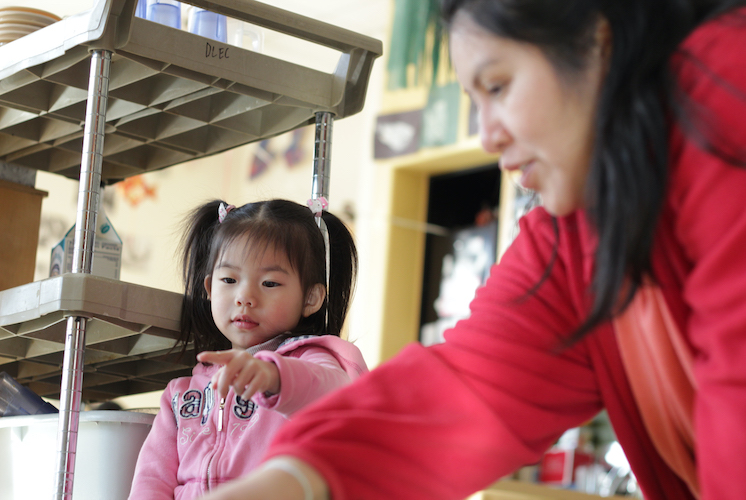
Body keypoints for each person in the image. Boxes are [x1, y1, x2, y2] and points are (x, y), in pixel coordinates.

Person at [197, 1, 746, 499]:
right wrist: (289, 481)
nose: (488, 136)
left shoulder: (726, 88)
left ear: (598, 40)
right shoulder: (578, 233)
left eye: (499, 85)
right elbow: (462, 394)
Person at [128, 199, 368, 499]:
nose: (245, 296)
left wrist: (274, 375)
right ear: (209, 288)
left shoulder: (314, 360)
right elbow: (152, 480)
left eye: (269, 283)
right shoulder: (180, 394)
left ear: (311, 298)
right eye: (229, 279)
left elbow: (338, 398)